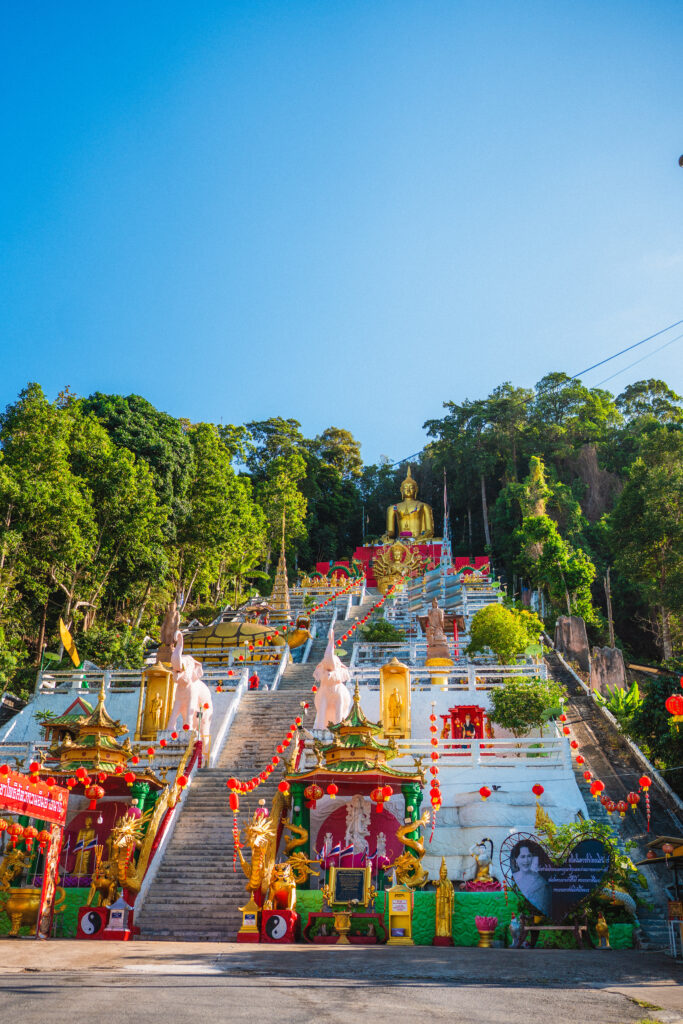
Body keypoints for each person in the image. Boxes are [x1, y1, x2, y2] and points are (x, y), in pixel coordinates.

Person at [511, 842, 552, 918]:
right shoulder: (514, 878)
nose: (526, 861)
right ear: (516, 859)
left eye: (529, 856)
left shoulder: (541, 880)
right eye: (522, 857)